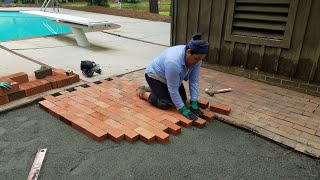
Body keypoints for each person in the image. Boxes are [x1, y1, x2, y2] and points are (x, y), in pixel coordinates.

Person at [136, 33, 208, 121]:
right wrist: (183, 109)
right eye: (196, 59)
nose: (198, 62)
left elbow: (194, 80)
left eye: (201, 59)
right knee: (165, 103)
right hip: (154, 75)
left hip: (170, 78)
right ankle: (143, 92)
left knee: (183, 99)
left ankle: (156, 89)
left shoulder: (197, 58)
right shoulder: (173, 62)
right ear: (188, 52)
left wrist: (194, 102)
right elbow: (173, 89)